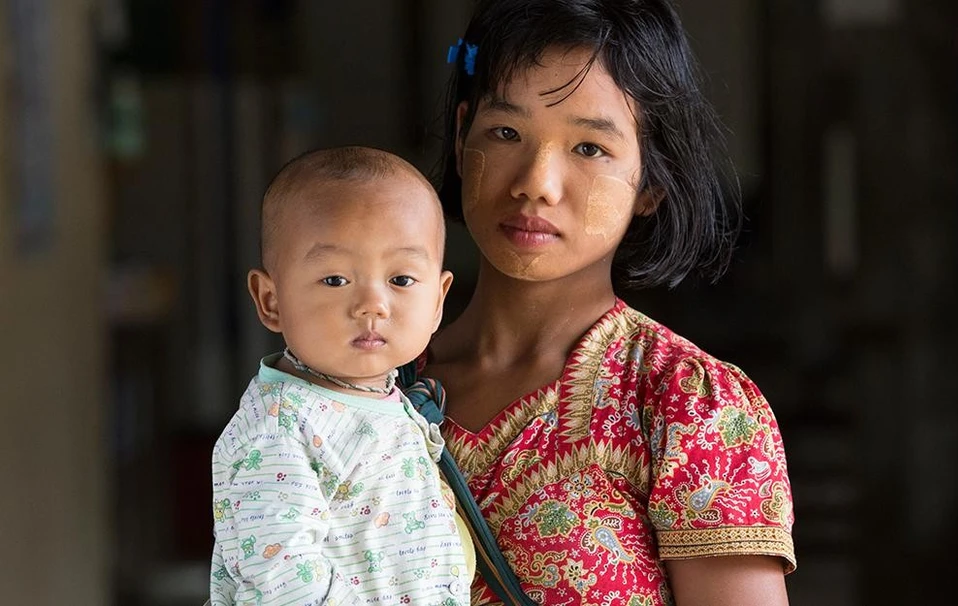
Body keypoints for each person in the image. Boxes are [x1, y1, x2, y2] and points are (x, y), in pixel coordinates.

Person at [420, 1, 797, 604]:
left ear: (650, 182)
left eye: (589, 148)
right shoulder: (364, 387)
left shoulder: (687, 407)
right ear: (464, 136)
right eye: (507, 132)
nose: (536, 182)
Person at [209, 147, 473, 605]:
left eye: (402, 280)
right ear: (271, 299)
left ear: (438, 302)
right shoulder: (279, 430)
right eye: (335, 280)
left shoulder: (389, 400)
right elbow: (285, 585)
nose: (372, 304)